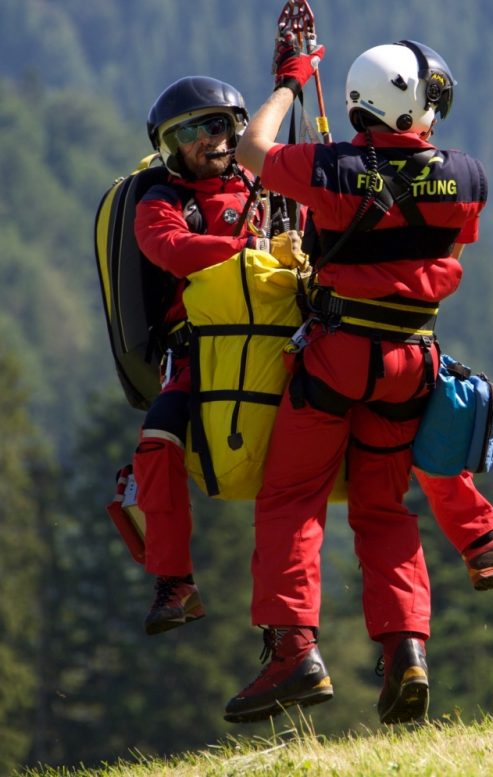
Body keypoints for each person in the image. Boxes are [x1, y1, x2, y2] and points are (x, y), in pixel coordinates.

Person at [225, 38, 493, 724]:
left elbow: (252, 150)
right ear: (412, 102)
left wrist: (292, 83)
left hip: (337, 354)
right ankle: (406, 650)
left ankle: (294, 649)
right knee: (384, 510)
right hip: (412, 361)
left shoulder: (329, 167)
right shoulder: (468, 177)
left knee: (294, 498)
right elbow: (447, 250)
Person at [132, 75, 306, 636]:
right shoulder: (162, 201)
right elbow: (170, 249)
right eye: (190, 133)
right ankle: (173, 582)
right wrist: (246, 249)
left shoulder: (269, 187)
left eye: (218, 125)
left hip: (277, 350)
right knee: (157, 441)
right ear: (170, 148)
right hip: (199, 357)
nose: (208, 140)